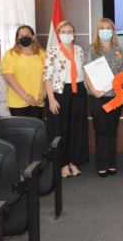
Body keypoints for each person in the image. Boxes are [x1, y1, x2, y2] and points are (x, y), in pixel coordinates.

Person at [43, 21, 88, 178]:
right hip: (60, 93)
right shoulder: (52, 51)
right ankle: (62, 164)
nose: (67, 34)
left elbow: (84, 71)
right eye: (64, 31)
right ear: (58, 33)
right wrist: (51, 99)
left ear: (74, 34)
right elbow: (47, 77)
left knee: (77, 128)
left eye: (70, 31)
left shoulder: (80, 51)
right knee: (60, 129)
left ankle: (73, 161)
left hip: (79, 92)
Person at [84, 18, 123, 178]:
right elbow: (86, 72)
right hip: (98, 97)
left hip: (115, 97)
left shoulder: (119, 50)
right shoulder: (91, 49)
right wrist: (93, 90)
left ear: (113, 31)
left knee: (112, 130)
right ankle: (102, 164)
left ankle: (112, 163)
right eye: (102, 28)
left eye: (108, 28)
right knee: (101, 130)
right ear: (97, 31)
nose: (105, 30)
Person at [1, 25, 46, 119]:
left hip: (38, 101)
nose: (24, 37)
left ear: (33, 37)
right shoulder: (11, 54)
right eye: (21, 36)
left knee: (36, 131)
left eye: (27, 35)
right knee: (21, 132)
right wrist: (25, 96)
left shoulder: (43, 54)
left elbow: (48, 76)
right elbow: (8, 77)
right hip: (18, 102)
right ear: (17, 39)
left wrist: (43, 93)